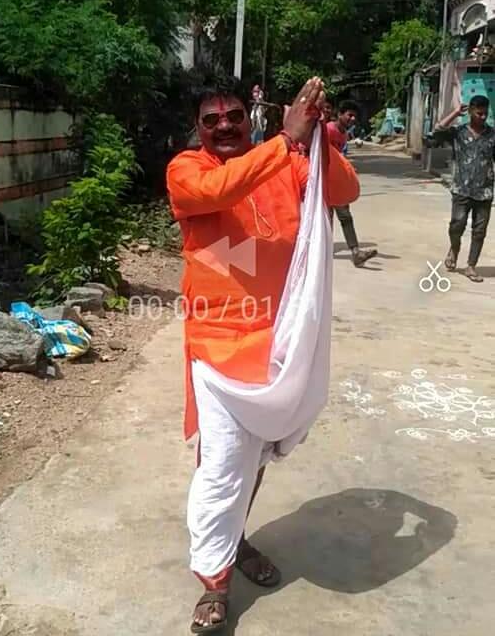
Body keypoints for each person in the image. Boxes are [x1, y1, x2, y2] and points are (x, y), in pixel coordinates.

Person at [167, 74, 359, 633]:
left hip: (279, 341)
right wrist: (285, 141)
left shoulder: (287, 163)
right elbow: (216, 192)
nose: (224, 125)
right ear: (198, 127)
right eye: (212, 119)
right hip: (218, 346)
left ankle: (234, 539)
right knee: (222, 464)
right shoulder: (187, 169)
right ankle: (215, 583)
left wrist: (317, 138)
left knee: (253, 461)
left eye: (233, 115)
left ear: (247, 117)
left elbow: (343, 191)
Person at [434, 95, 495, 282]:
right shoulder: (458, 132)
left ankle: (471, 266)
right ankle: (454, 248)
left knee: (479, 230)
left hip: (484, 191)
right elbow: (438, 130)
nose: (482, 117)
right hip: (461, 189)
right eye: (479, 113)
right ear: (470, 112)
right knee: (457, 225)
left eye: (485, 114)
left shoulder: (492, 135)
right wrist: (454, 113)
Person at [324, 100, 378, 267]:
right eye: (350, 115)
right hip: (324, 181)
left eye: (355, 116)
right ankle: (323, 250)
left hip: (336, 181)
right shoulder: (329, 130)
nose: (352, 119)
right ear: (340, 114)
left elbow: (338, 157)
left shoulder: (344, 134)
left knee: (345, 216)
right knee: (326, 218)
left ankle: (355, 252)